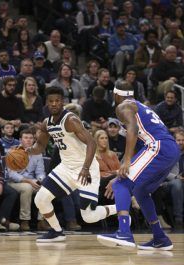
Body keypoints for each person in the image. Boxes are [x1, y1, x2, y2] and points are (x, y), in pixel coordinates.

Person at [97, 80, 180, 251]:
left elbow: (133, 130)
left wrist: (126, 162)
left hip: (158, 147)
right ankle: (160, 237)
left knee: (121, 183)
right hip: (169, 149)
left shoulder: (123, 107)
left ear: (116, 94)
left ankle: (124, 232)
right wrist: (124, 165)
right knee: (140, 191)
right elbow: (138, 143)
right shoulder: (139, 106)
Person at [27, 86, 116, 243]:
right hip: (66, 167)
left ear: (63, 102)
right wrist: (26, 151)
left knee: (89, 217)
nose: (54, 104)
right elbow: (39, 147)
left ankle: (121, 207)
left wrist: (85, 168)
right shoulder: (47, 123)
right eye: (51, 101)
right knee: (40, 199)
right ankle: (57, 232)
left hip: (86, 169)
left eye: (57, 101)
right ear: (46, 103)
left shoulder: (70, 120)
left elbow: (91, 143)